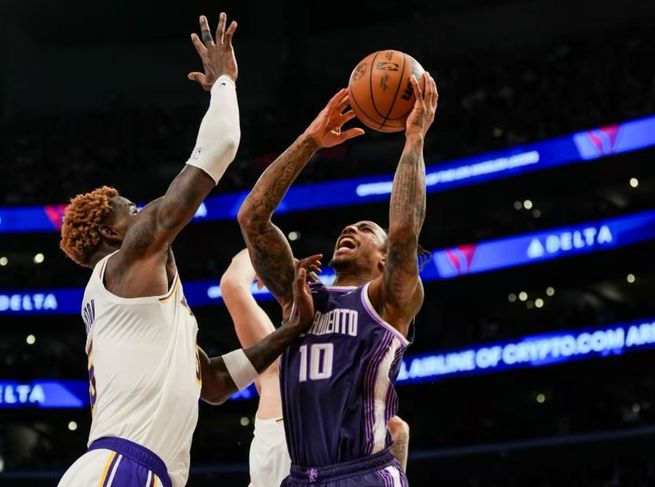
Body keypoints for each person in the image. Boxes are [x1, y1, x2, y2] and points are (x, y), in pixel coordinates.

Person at [56, 13, 319, 487]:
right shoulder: (125, 264)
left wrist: (291, 329)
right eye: (131, 210)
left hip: (130, 467)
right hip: (124, 465)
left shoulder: (135, 308)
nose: (143, 213)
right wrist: (223, 82)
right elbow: (221, 145)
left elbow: (213, 382)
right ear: (112, 234)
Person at [238, 71, 437, 486]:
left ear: (384, 260)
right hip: (300, 476)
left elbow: (404, 232)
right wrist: (310, 141)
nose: (351, 229)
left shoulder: (388, 300)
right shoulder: (301, 298)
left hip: (362, 473)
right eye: (350, 227)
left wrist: (414, 138)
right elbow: (252, 218)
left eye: (366, 229)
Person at [220, 250, 412, 486]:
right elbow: (232, 286)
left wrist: (259, 257)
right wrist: (261, 257)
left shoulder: (285, 378)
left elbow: (233, 285)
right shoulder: (275, 372)